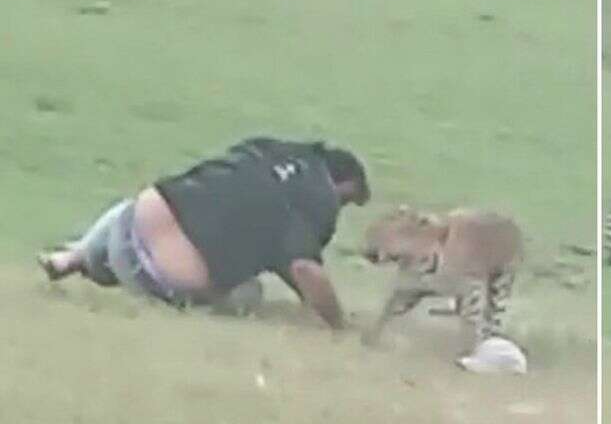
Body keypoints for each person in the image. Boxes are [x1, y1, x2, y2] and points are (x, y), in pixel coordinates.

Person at [37, 136, 370, 330]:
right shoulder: (319, 198)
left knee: (140, 206)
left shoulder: (266, 149)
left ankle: (72, 256)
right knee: (250, 292)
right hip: (157, 281)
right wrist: (338, 325)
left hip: (124, 229)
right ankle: (90, 260)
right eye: (347, 201)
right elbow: (303, 267)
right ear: (342, 185)